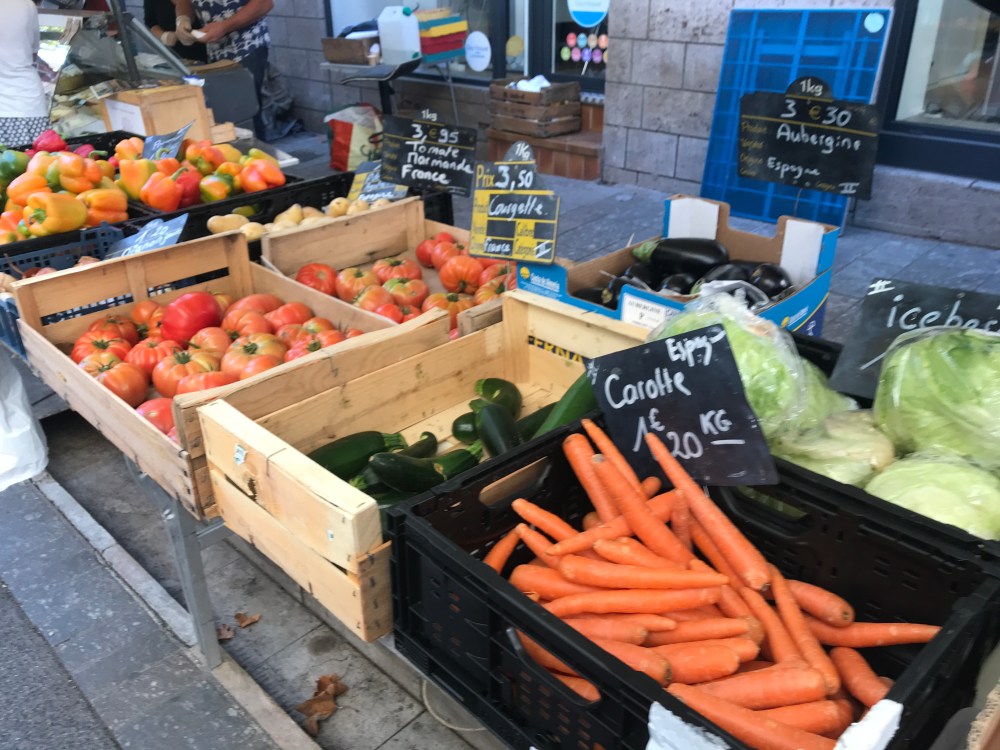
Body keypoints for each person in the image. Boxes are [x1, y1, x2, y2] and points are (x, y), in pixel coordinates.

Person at [174, 0, 273, 135]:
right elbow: (183, 2)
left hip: (246, 45)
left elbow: (264, 3)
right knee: (223, 114)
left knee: (244, 114)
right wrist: (182, 19)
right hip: (214, 50)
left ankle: (256, 147)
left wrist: (225, 26)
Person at [0, 0, 50, 145]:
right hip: (28, 101)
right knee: (37, 157)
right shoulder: (27, 4)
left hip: (19, 104)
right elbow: (33, 53)